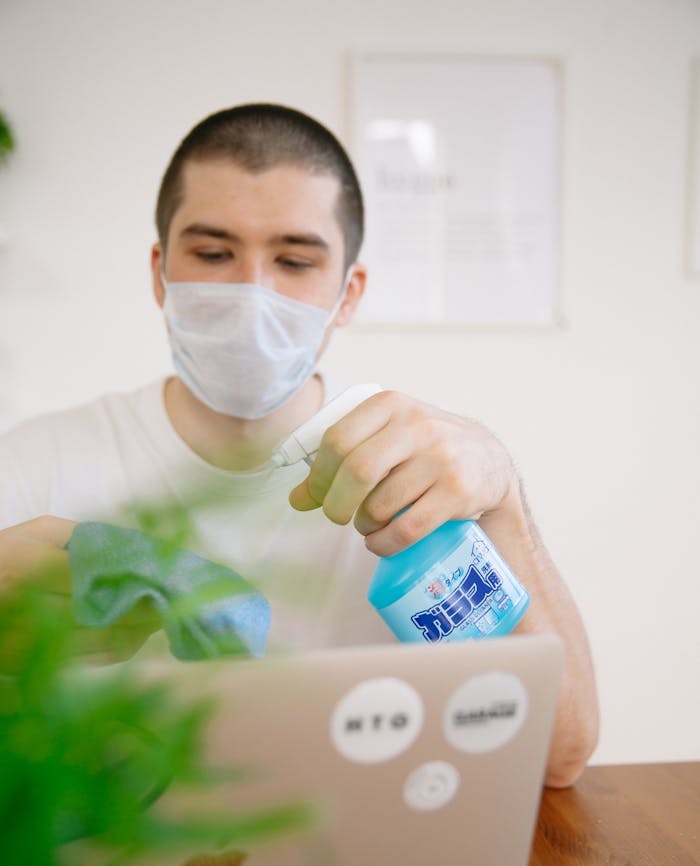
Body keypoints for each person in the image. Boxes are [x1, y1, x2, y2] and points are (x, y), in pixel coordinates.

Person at [0, 103, 598, 786]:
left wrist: (502, 499)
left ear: (349, 292)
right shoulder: (31, 464)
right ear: (160, 270)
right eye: (214, 253)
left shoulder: (414, 478)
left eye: (294, 260)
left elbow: (560, 755)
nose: (253, 294)